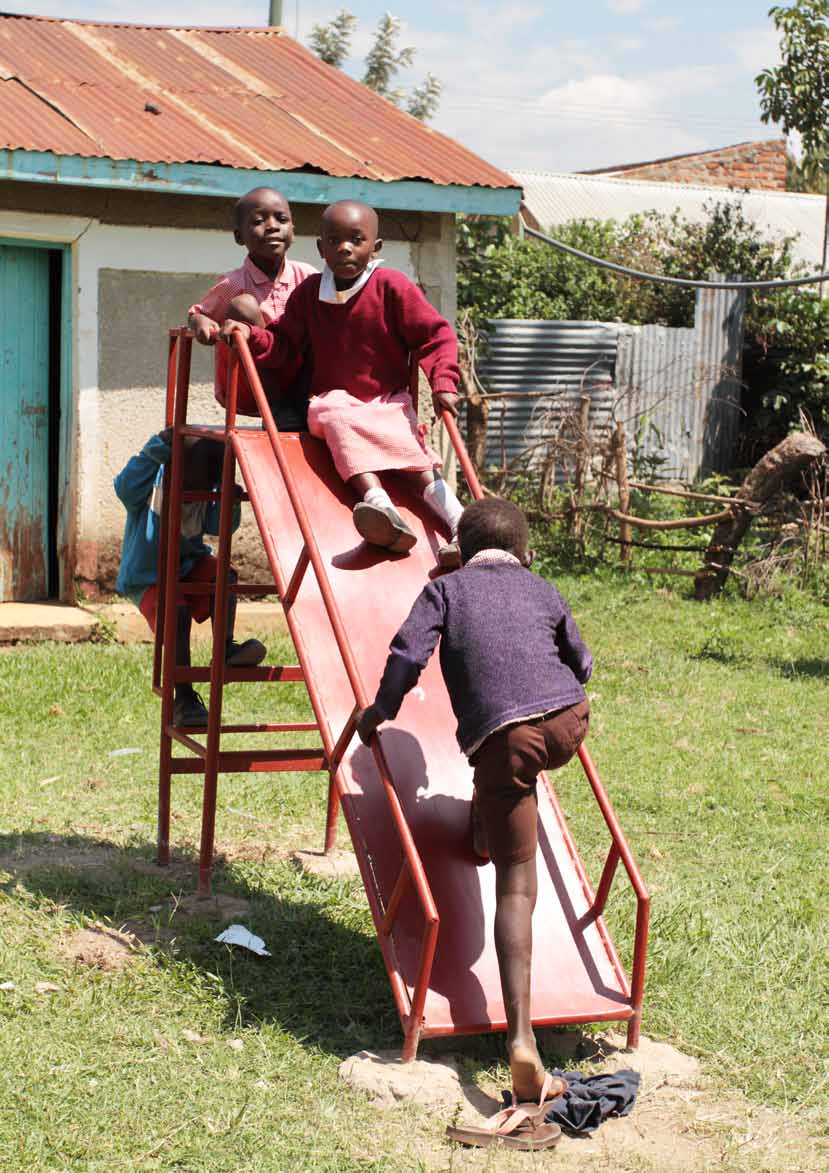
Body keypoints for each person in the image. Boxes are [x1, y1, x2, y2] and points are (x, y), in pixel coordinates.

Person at [356, 498, 592, 1110]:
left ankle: (520, 1042)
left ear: (459, 551)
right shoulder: (542, 586)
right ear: (524, 552)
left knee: (516, 883)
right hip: (569, 720)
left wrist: (380, 711)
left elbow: (408, 655)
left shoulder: (447, 590)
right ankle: (485, 823)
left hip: (506, 739)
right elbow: (582, 662)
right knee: (508, 782)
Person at [221, 199, 465, 568]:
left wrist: (443, 381)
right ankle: (380, 507)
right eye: (333, 240)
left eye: (356, 240)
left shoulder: (391, 286)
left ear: (375, 247)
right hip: (336, 402)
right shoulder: (310, 294)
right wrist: (252, 336)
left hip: (386, 401)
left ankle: (463, 528)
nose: (344, 248)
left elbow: (435, 335)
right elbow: (284, 345)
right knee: (332, 414)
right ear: (321, 248)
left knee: (417, 462)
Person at [114, 429, 266, 727]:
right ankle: (183, 697)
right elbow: (123, 487)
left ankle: (225, 649)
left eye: (208, 481)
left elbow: (217, 526)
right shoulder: (151, 487)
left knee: (224, 576)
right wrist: (155, 447)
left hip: (185, 569)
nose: (199, 488)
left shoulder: (201, 492)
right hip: (148, 578)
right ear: (175, 465)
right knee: (177, 609)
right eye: (195, 477)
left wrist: (228, 500)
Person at [187, 187, 317, 428]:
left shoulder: (308, 277)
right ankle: (277, 406)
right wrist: (201, 323)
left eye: (281, 219)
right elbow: (197, 314)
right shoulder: (234, 283)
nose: (272, 226)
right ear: (239, 237)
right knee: (243, 305)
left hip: (297, 381)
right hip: (251, 384)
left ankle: (305, 402)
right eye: (259, 221)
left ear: (293, 231)